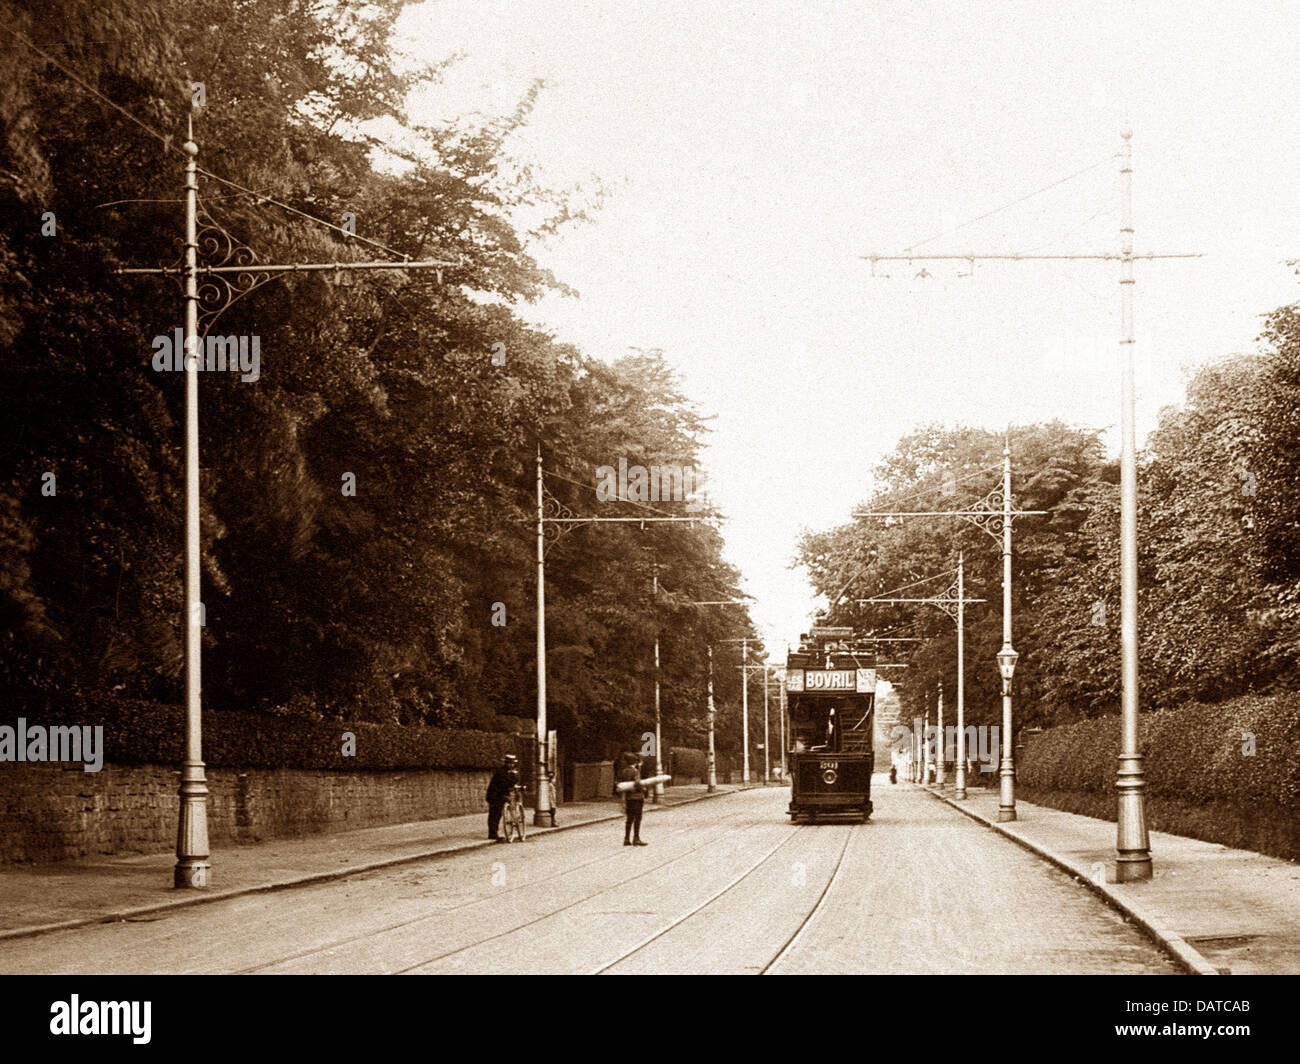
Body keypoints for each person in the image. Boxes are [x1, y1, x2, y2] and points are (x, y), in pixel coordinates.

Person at [486, 753, 520, 842]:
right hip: (495, 795)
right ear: (506, 763)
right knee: (494, 815)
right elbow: (503, 784)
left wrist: (515, 777)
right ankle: (492, 834)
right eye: (509, 763)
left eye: (512, 763)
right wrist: (505, 795)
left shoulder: (510, 772)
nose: (511, 765)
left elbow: (513, 782)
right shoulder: (501, 772)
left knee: (498, 815)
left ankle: (494, 833)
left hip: (500, 794)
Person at [619, 755, 648, 846]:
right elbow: (637, 783)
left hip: (628, 798)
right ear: (635, 762)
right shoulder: (635, 771)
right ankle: (636, 838)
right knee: (637, 818)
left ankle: (626, 839)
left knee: (629, 819)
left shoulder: (624, 771)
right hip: (637, 797)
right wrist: (643, 788)